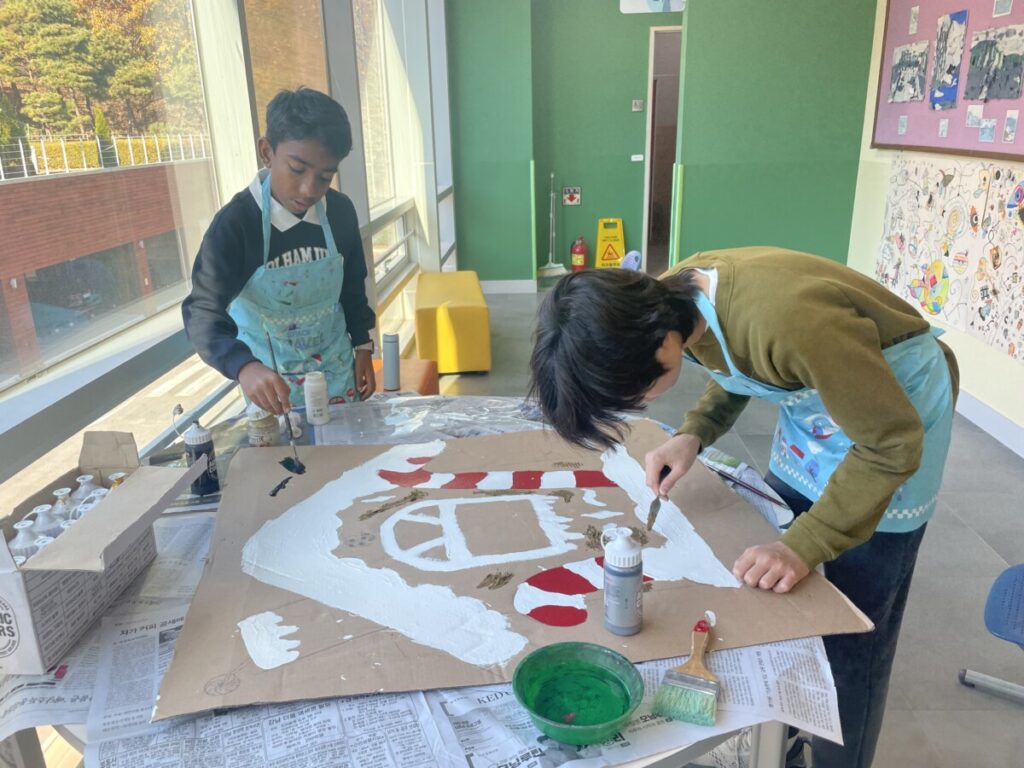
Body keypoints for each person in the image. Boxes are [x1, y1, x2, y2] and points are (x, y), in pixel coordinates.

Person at [528, 247, 959, 768]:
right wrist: (694, 433)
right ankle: (789, 731)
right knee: (775, 590)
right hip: (818, 411)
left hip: (894, 412)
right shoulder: (667, 303)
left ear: (663, 344)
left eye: (635, 394)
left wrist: (805, 545)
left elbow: (891, 445)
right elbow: (739, 364)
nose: (640, 405)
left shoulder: (789, 322)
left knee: (852, 635)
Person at [183, 87, 376, 414]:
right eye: (297, 170)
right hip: (271, 387)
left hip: (337, 371)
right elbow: (202, 311)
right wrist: (243, 366)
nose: (309, 189)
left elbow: (352, 285)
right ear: (267, 152)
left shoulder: (340, 212)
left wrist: (362, 346)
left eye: (325, 177)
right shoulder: (236, 225)